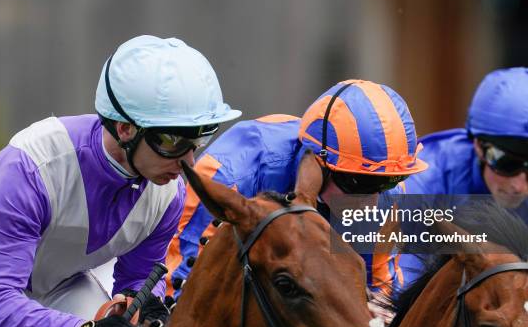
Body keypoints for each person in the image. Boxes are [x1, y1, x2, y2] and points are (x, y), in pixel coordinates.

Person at [0, 35, 241, 327]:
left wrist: (141, 303)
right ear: (124, 128)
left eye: (199, 141)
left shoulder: (169, 193)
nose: (188, 163)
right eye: (172, 141)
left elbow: (138, 276)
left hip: (62, 280)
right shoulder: (33, 167)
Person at [165, 79, 428, 301]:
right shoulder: (233, 173)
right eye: (360, 184)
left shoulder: (384, 189)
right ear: (319, 161)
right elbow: (179, 284)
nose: (371, 201)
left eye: (388, 183)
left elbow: (379, 292)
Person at [405, 67, 528, 254]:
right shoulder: (424, 178)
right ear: (479, 146)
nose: (519, 186)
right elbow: (396, 276)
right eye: (507, 163)